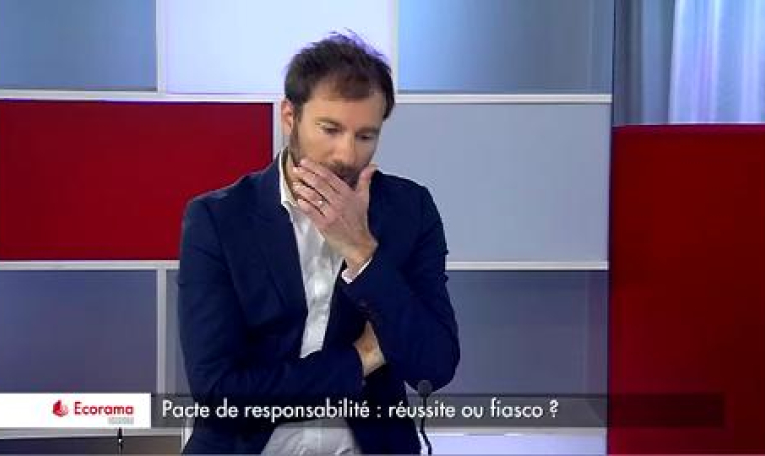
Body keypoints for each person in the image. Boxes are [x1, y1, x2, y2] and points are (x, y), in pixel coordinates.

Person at [178, 33, 460, 454]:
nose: (346, 155)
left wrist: (362, 251)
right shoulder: (219, 219)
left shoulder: (409, 210)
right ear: (289, 116)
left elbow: (434, 366)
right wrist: (361, 359)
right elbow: (220, 394)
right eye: (330, 130)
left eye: (365, 136)